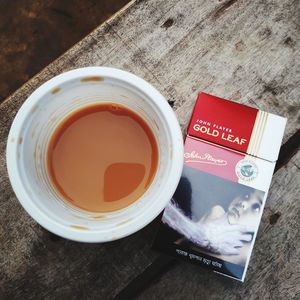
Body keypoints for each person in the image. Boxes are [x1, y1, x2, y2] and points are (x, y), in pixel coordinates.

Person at [162, 189, 263, 258]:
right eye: (246, 195)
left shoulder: (245, 254)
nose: (244, 203)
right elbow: (179, 244)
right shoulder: (217, 211)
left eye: (256, 207)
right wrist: (202, 237)